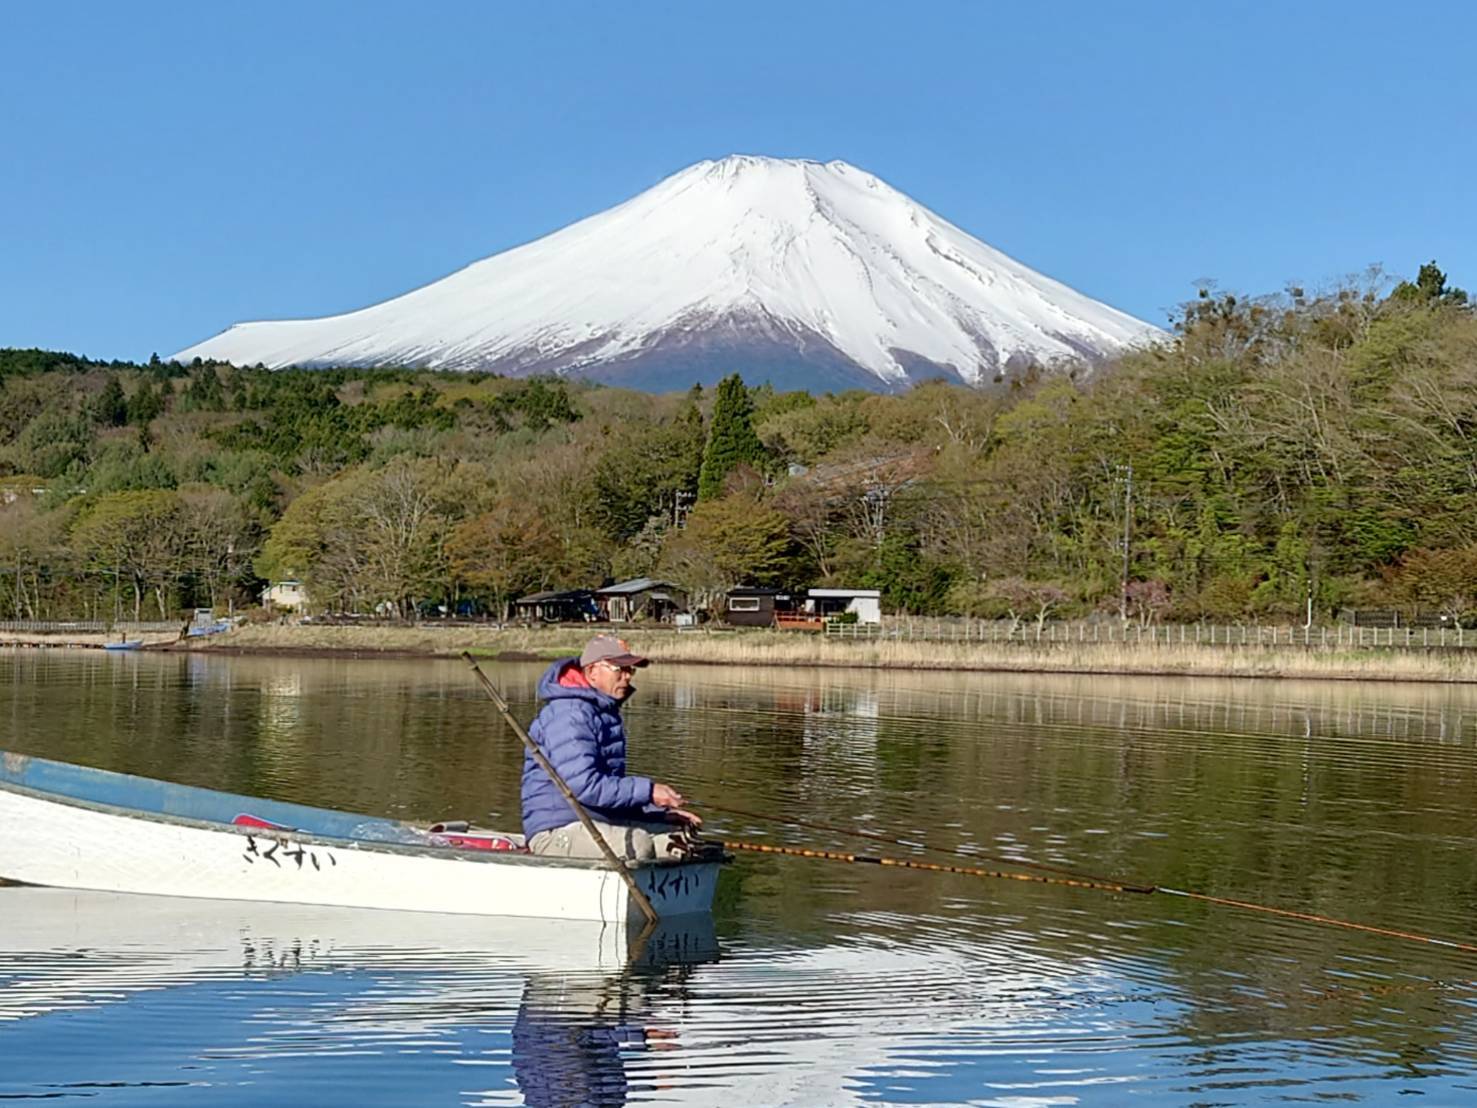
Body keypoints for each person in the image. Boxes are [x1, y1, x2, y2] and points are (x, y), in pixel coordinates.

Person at [521, 634, 701, 861]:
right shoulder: (570, 715)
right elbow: (585, 786)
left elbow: (609, 794)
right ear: (592, 671)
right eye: (619, 669)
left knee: (680, 840)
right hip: (556, 829)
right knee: (638, 845)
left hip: (598, 821)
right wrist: (649, 791)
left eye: (630, 670)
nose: (627, 676)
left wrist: (659, 814)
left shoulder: (603, 713)